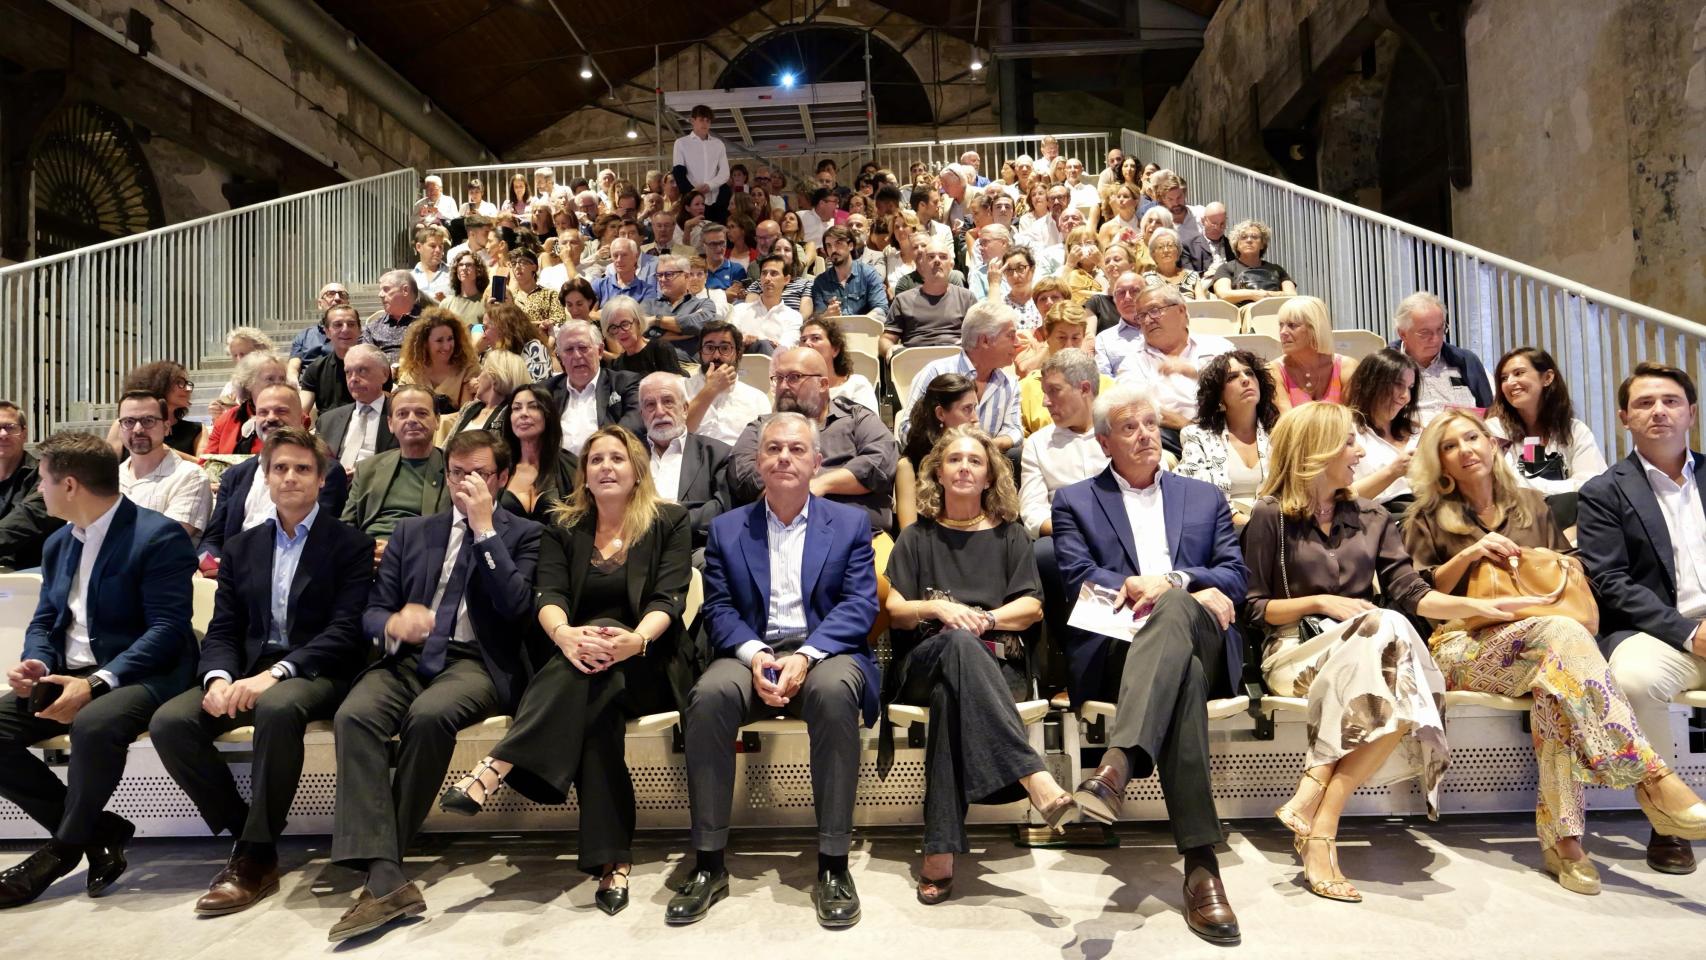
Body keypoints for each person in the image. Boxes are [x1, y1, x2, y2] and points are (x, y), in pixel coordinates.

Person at [1243, 401, 1533, 902]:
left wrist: (1487, 606)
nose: (1359, 453)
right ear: (1317, 451)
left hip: (1370, 656)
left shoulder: (1373, 516)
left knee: (1389, 631)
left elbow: (1412, 593)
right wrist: (1317, 601)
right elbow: (1250, 608)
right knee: (1392, 640)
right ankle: (1317, 807)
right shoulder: (1271, 517)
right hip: (1295, 653)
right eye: (1349, 442)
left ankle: (1320, 818)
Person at [1404, 410, 1704, 894]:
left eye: (1473, 437)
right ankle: (1651, 778)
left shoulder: (1530, 505)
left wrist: (1555, 564)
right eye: (1451, 445)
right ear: (1440, 463)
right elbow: (1417, 596)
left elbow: (1569, 574)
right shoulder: (1425, 516)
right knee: (1562, 641)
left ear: (1492, 443)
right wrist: (1471, 555)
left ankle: (1565, 845)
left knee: (1556, 688)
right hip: (1465, 646)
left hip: (1546, 644)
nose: (1466, 449)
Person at [437, 426, 690, 914]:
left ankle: (497, 766)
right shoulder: (562, 525)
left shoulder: (669, 521)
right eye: (596, 460)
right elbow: (547, 597)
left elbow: (668, 599)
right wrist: (565, 636)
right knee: (596, 711)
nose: (606, 467)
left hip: (648, 661)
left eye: (618, 458)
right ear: (584, 474)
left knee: (596, 657)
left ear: (637, 471)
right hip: (583, 663)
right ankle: (612, 862)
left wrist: (633, 640)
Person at [326, 430, 542, 941]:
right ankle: (387, 876)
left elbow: (516, 609)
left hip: (475, 663)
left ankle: (381, 871)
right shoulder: (412, 532)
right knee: (352, 715)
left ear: (502, 478)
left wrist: (485, 530)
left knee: (428, 717)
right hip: (408, 658)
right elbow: (372, 611)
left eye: (479, 474)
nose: (465, 483)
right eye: (456, 472)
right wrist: (393, 623)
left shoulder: (525, 534)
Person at [1049, 384, 1246, 944]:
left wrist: (1178, 584)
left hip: (1204, 634)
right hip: (1117, 645)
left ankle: (1116, 768)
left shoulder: (1203, 497)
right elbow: (1074, 576)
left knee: (1179, 606)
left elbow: (1235, 576)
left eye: (1151, 425)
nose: (1145, 436)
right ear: (1105, 441)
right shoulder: (1075, 501)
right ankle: (1202, 865)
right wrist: (1139, 586)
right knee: (1181, 677)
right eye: (1129, 427)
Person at [148, 428, 373, 915]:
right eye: (280, 468)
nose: (290, 477)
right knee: (171, 722)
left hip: (318, 669)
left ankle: (254, 857)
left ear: (320, 479)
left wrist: (277, 674)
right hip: (248, 669)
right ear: (266, 477)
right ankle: (250, 834)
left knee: (276, 706)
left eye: (302, 469)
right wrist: (219, 679)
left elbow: (345, 631)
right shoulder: (242, 546)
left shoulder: (349, 544)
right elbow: (225, 628)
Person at [667, 413, 879, 928]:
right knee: (711, 695)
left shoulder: (850, 524)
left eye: (796, 450)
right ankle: (710, 862)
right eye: (774, 449)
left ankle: (832, 864)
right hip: (752, 653)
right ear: (758, 462)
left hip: (825, 652)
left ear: (816, 461)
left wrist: (806, 657)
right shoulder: (725, 528)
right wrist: (757, 654)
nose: (784, 458)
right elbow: (718, 608)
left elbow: (858, 606)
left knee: (832, 696)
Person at [0, 432, 196, 908]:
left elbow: (168, 629)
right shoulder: (59, 542)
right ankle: (100, 829)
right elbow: (46, 620)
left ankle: (62, 851)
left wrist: (94, 684)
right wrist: (37, 662)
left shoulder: (158, 535)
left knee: (94, 723)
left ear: (69, 485)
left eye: (42, 482)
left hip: (147, 672)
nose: (37, 492)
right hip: (72, 670)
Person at [883, 425, 1078, 903]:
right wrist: (938, 610)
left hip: (996, 670)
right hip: (924, 664)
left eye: (975, 461)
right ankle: (1033, 775)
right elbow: (895, 611)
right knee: (957, 646)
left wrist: (982, 618)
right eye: (954, 460)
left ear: (990, 476)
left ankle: (940, 849)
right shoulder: (916, 537)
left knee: (956, 689)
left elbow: (1032, 608)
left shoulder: (1011, 537)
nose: (964, 467)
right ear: (939, 473)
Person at [1579, 362, 1706, 875]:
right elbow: (1611, 581)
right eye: (1645, 403)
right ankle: (1668, 822)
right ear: (1623, 419)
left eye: (1671, 401)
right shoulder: (1604, 491)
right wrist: (1691, 633)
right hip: (1660, 632)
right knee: (1632, 680)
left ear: (1691, 413)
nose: (1659, 411)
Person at [727, 347, 898, 536]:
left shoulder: (856, 418)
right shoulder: (761, 426)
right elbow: (741, 471)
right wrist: (799, 490)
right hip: (777, 534)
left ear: (823, 384)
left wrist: (823, 484)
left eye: (794, 377)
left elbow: (881, 459)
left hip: (859, 535)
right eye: (779, 378)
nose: (783, 386)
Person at [201, 384, 349, 563]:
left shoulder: (326, 470)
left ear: (303, 420)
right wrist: (209, 562)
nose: (270, 418)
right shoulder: (235, 475)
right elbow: (212, 539)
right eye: (262, 412)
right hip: (230, 574)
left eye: (281, 411)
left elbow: (318, 538)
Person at [1108, 283, 1233, 455]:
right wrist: (1187, 426)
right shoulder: (1133, 361)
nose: (1147, 320)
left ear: (1181, 310)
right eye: (1141, 316)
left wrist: (1195, 373)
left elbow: (1242, 386)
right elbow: (1136, 407)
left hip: (1227, 428)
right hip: (1171, 439)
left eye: (1154, 310)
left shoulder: (1219, 347)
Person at [1487, 346, 1608, 499]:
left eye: (1519, 373)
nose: (1510, 382)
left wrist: (1535, 488)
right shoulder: (1494, 430)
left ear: (1547, 378)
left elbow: (1594, 485)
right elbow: (1508, 485)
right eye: (1504, 378)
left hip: (1571, 519)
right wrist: (1569, 488)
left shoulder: (1575, 429)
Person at [902, 301, 1023, 452]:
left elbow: (1014, 429)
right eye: (1011, 336)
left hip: (986, 465)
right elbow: (907, 428)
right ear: (985, 340)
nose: (1018, 343)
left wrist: (986, 446)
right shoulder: (935, 372)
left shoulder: (1010, 383)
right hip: (937, 463)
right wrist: (953, 450)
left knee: (1017, 455)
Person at [1175, 351, 1277, 523]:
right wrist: (1247, 524)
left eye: (1250, 373)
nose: (1245, 379)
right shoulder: (1197, 436)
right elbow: (1197, 494)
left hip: (1274, 528)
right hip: (1223, 529)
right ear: (1218, 397)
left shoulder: (1279, 434)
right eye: (1232, 378)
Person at [340, 386, 446, 542]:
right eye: (402, 414)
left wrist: (395, 551)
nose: (412, 420)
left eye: (421, 413)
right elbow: (346, 525)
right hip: (366, 554)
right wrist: (364, 550)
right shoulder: (368, 468)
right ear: (390, 423)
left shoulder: (454, 470)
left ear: (437, 420)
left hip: (422, 556)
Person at [637, 373, 728, 550]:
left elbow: (721, 508)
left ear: (685, 408)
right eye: (650, 405)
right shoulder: (626, 455)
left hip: (693, 548)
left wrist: (670, 518)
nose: (660, 411)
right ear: (642, 415)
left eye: (668, 401)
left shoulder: (716, 454)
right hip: (636, 549)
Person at [539, 319, 645, 454]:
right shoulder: (546, 391)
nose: (577, 356)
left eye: (583, 348)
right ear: (561, 357)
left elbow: (634, 423)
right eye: (569, 350)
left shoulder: (624, 383)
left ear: (600, 351)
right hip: (558, 471)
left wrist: (598, 455)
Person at [115, 391, 211, 539]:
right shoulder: (109, 478)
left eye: (148, 421)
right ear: (120, 428)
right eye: (128, 421)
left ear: (166, 427)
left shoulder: (191, 476)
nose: (138, 429)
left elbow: (166, 540)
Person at [1390, 291, 1494, 424]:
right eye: (1425, 333)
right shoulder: (1387, 368)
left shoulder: (1466, 361)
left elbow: (1489, 412)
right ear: (1403, 334)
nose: (1436, 339)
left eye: (1440, 329)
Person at [897, 374, 980, 529]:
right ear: (941, 414)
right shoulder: (909, 465)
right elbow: (908, 533)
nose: (975, 418)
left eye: (975, 408)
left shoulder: (981, 455)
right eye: (967, 409)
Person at [1344, 348, 1423, 508]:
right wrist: (1392, 471)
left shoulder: (1417, 430)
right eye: (1399, 385)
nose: (1405, 396)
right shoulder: (1347, 431)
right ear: (1372, 383)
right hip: (1379, 518)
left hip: (1427, 511)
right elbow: (1341, 496)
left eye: (1410, 387)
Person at [496, 384, 578, 524]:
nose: (523, 414)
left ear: (548, 414)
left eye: (533, 406)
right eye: (516, 408)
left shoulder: (571, 465)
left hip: (555, 544)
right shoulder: (498, 466)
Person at [884, 236, 979, 355]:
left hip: (956, 360)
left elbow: (980, 335)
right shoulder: (903, 300)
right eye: (931, 257)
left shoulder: (967, 298)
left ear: (951, 265)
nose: (937, 260)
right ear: (922, 264)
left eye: (943, 257)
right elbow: (887, 339)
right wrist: (889, 348)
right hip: (916, 360)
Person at [683, 320, 771, 446]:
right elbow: (676, 435)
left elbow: (764, 445)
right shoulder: (681, 388)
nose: (716, 355)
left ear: (738, 354)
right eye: (709, 348)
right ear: (700, 352)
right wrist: (710, 390)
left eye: (725, 348)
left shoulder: (757, 398)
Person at [0, 402, 64, 570]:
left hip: (27, 574)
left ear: (24, 434)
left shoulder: (45, 476)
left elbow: (26, 520)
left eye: (10, 427)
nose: (3, 434)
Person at [313, 345, 396, 474]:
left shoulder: (400, 417)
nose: (353, 379)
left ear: (384, 374)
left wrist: (362, 474)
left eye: (362, 370)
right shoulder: (328, 420)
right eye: (348, 372)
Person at [1269, 296, 1358, 413]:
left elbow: (1355, 419)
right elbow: (1287, 422)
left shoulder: (1347, 367)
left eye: (1292, 325)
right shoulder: (1274, 370)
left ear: (1315, 329)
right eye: (1281, 325)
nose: (1283, 332)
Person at [107, 361, 203, 457]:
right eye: (180, 382)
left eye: (187, 384)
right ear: (160, 384)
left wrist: (167, 451)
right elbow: (109, 465)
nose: (187, 389)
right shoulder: (123, 425)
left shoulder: (197, 430)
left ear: (166, 426)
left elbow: (207, 466)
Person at [205, 352, 289, 456]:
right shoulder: (225, 421)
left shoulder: (295, 415)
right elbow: (206, 463)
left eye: (282, 379)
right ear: (249, 383)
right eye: (270, 379)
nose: (278, 385)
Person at [398, 308, 479, 414]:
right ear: (425, 343)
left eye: (450, 339)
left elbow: (467, 417)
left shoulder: (468, 369)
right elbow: (401, 410)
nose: (446, 347)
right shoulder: (412, 373)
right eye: (439, 340)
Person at [644, 254, 718, 363]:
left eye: (668, 274)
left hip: (687, 367)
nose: (662, 279)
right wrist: (688, 332)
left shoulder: (704, 304)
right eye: (659, 275)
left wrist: (656, 320)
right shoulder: (648, 304)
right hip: (651, 364)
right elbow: (638, 330)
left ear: (686, 276)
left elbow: (701, 325)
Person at [810, 226, 890, 324]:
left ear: (850, 246)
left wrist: (857, 323)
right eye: (829, 245)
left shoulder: (868, 274)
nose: (833, 249)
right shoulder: (821, 281)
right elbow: (818, 318)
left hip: (864, 332)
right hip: (834, 334)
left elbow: (881, 309)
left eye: (838, 243)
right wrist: (827, 315)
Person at [298, 304, 367, 418]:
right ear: (327, 332)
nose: (345, 329)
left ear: (359, 330)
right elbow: (301, 411)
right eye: (338, 325)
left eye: (351, 324)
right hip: (328, 432)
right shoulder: (316, 369)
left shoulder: (376, 366)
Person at [799, 317, 879, 413]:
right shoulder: (795, 387)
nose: (807, 343)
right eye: (803, 340)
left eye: (815, 338)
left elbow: (869, 425)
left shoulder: (856, 384)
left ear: (835, 349)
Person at [729, 253, 804, 355]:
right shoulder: (740, 309)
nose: (767, 278)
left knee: (764, 345)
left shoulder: (793, 317)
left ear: (786, 279)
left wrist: (759, 341)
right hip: (741, 365)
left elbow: (786, 347)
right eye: (764, 273)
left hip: (775, 365)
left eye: (774, 273)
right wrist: (744, 340)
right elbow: (729, 340)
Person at [1210, 219, 1295, 303]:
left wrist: (1267, 295)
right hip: (1243, 312)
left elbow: (1292, 295)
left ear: (1262, 244)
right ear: (1237, 244)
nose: (1249, 240)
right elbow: (1224, 295)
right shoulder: (1226, 269)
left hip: (1276, 310)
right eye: (1243, 237)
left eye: (1254, 237)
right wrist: (1253, 295)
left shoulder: (1276, 269)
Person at [672, 104, 730, 223]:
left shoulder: (718, 144)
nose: (705, 123)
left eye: (708, 120)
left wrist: (710, 185)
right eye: (701, 119)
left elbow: (724, 172)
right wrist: (693, 192)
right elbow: (679, 172)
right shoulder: (681, 143)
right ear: (693, 121)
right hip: (691, 199)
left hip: (715, 199)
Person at [603, 295, 685, 377]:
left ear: (638, 322)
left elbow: (675, 386)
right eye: (613, 327)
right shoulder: (616, 366)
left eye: (625, 324)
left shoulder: (660, 349)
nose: (620, 332)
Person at [478, 300, 553, 382]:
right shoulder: (490, 352)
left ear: (503, 328)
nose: (483, 335)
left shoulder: (534, 348)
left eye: (486, 328)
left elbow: (537, 388)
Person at [288, 282, 350, 377]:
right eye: (330, 294)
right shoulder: (305, 335)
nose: (337, 298)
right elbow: (293, 366)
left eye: (342, 295)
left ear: (348, 304)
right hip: (305, 385)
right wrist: (293, 381)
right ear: (320, 304)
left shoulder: (356, 334)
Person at [364, 270, 424, 363]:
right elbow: (366, 362)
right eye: (381, 290)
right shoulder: (372, 328)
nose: (380, 295)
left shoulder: (429, 323)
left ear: (405, 290)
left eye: (386, 289)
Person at [1142, 227, 1204, 299]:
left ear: (1178, 251)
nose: (1166, 250)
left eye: (1170, 246)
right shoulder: (1146, 279)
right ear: (1153, 254)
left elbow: (1202, 302)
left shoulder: (1192, 276)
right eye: (1160, 247)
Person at [441, 250, 488, 328]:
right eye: (460, 265)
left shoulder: (486, 302)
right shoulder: (446, 304)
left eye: (469, 265)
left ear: (478, 270)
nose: (464, 268)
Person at [409, 226, 452, 303]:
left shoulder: (452, 273)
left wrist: (446, 302)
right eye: (433, 246)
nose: (438, 250)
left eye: (441, 246)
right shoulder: (410, 278)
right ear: (419, 247)